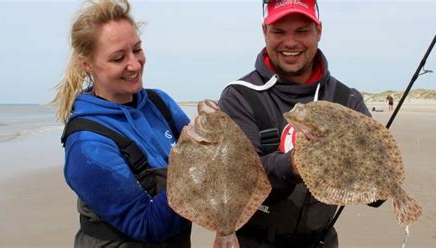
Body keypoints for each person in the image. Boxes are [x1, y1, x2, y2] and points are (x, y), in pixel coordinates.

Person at [218, 0, 373, 247]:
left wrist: (375, 179)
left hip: (322, 240)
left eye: (302, 31)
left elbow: (373, 185)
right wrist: (292, 164)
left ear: (318, 31)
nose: (290, 43)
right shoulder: (239, 97)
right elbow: (237, 179)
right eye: (279, 32)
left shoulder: (347, 99)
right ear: (264, 32)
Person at [52, 0, 191, 247]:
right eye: (118, 58)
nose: (135, 64)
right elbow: (146, 224)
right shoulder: (87, 144)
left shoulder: (159, 103)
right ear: (87, 64)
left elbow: (205, 152)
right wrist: (199, 169)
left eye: (137, 49)